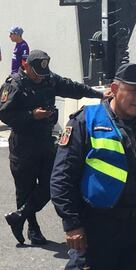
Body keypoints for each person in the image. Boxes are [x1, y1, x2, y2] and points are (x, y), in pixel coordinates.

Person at [0, 49, 111, 246]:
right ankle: (33, 229)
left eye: (43, 74)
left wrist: (99, 94)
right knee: (24, 189)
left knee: (51, 185)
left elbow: (73, 88)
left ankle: (19, 216)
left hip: (44, 141)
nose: (40, 78)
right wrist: (32, 115)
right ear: (26, 66)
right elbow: (5, 115)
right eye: (36, 74)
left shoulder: (49, 79)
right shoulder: (14, 84)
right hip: (23, 144)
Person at [50, 63, 136, 269]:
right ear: (114, 90)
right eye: (133, 91)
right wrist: (72, 224)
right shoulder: (85, 121)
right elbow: (62, 178)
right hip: (97, 228)